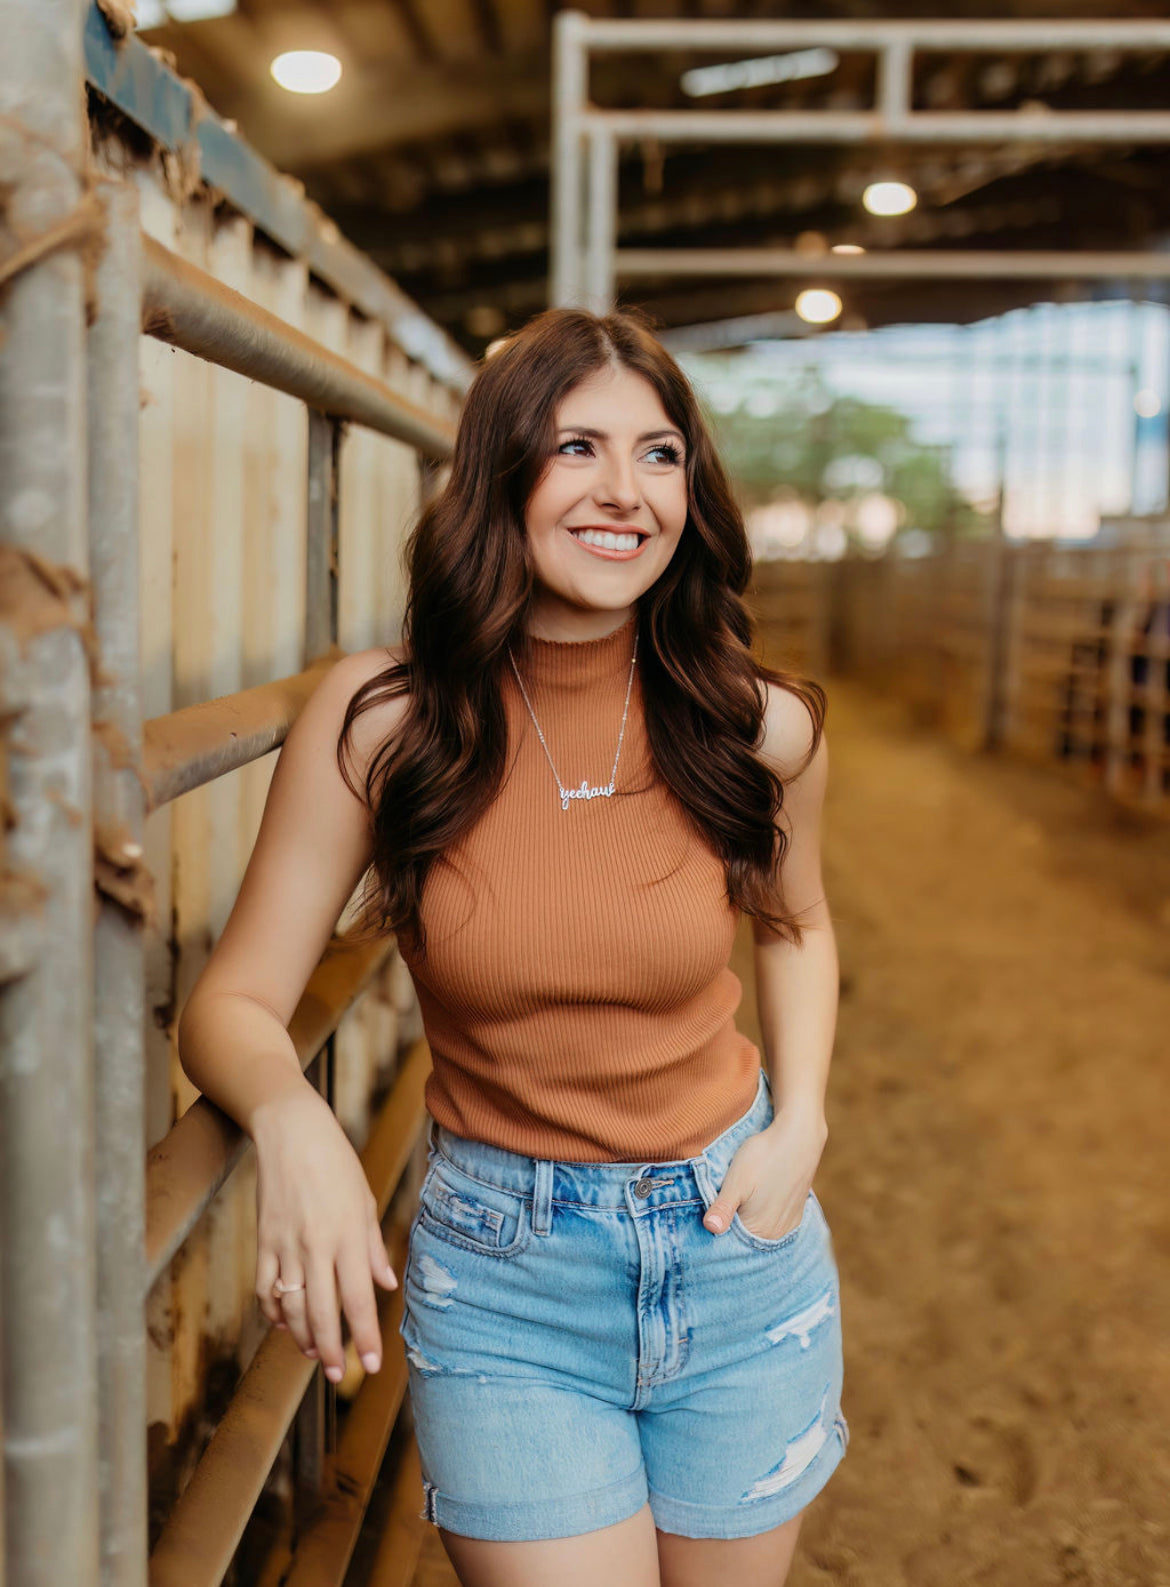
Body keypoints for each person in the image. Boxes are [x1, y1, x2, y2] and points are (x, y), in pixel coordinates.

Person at [177, 305, 848, 1587]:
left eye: (659, 455)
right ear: (499, 477)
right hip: (508, 1277)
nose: (624, 491)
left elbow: (798, 923)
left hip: (737, 1247)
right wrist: (292, 1122)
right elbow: (233, 1003)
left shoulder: (753, 728)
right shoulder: (388, 724)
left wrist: (803, 1118)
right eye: (575, 448)